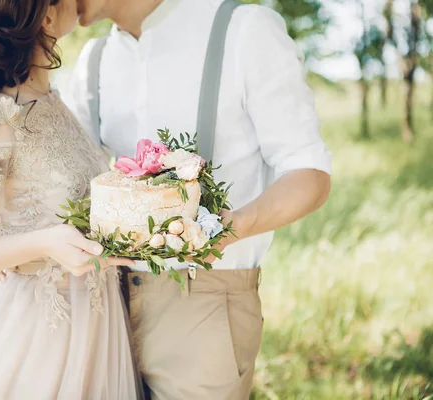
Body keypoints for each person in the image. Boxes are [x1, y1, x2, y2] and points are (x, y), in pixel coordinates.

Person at [66, 0, 332, 398]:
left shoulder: (243, 29)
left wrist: (229, 229)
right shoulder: (94, 60)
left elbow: (309, 174)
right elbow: (68, 175)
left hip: (205, 305)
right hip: (104, 306)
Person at [0, 0, 142, 398]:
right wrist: (40, 242)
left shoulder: (54, 102)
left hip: (96, 331)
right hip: (37, 340)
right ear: (46, 15)